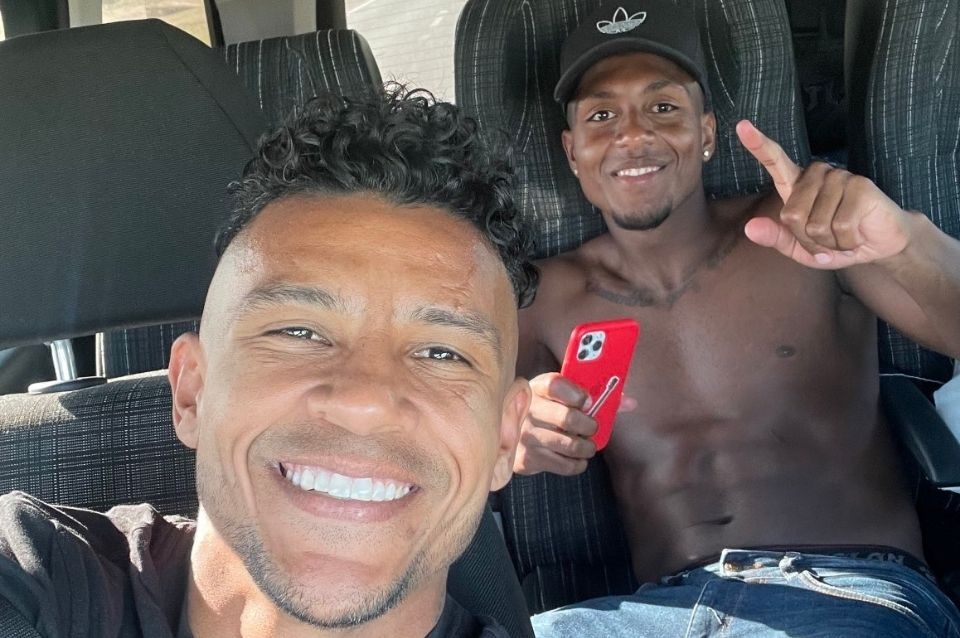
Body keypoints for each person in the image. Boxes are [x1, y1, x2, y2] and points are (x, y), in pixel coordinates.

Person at [0, 86, 538, 637]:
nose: (364, 403)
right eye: (298, 332)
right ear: (191, 393)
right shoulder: (32, 575)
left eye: (442, 353)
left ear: (504, 438)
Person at [514, 1, 960, 635]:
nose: (632, 135)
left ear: (706, 134)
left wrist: (907, 241)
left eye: (663, 107)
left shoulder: (801, 229)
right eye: (601, 115)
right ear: (571, 150)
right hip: (651, 612)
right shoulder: (543, 298)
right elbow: (445, 427)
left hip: (850, 589)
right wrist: (509, 429)